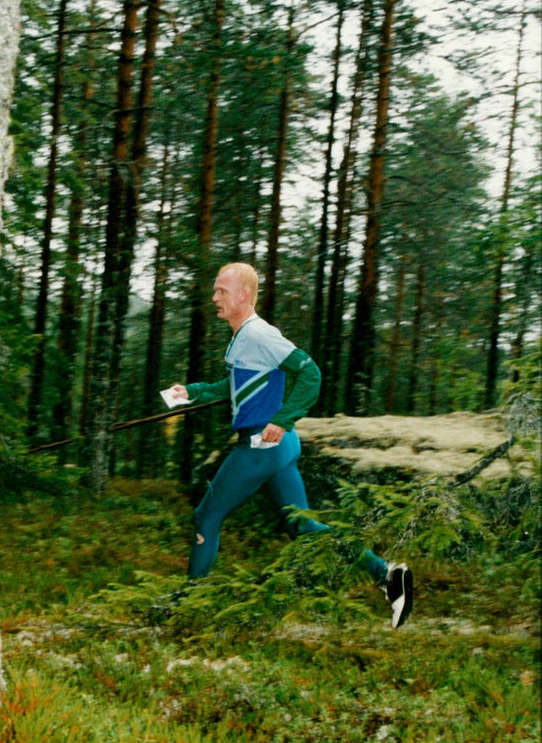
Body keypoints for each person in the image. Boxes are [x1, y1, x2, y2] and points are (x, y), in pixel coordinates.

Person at [168, 262, 413, 628]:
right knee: (304, 528)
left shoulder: (259, 334)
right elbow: (234, 388)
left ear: (244, 296)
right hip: (277, 449)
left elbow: (310, 372)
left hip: (262, 446)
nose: (214, 297)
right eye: (215, 290)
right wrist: (192, 392)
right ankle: (390, 576)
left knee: (207, 515)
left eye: (221, 290)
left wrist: (282, 421)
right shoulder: (242, 337)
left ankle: (185, 606)